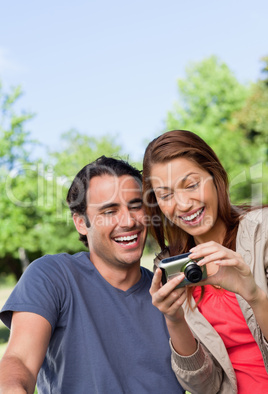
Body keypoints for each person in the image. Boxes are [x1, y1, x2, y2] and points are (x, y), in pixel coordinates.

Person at [0, 156, 185, 394]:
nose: (128, 221)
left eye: (136, 206)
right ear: (80, 223)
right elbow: (19, 361)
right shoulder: (53, 276)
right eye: (110, 211)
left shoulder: (170, 293)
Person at [142, 130, 268, 394]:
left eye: (191, 185)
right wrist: (174, 320)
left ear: (215, 176)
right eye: (165, 196)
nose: (184, 204)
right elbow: (205, 387)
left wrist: (254, 296)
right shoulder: (172, 269)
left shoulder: (262, 233)